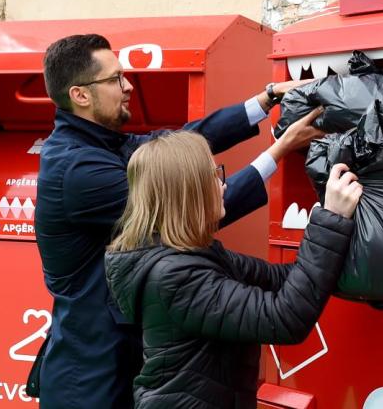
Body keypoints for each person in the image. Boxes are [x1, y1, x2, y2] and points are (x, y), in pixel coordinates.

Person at [35, 34, 322, 409]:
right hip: (92, 375)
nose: (128, 87)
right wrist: (280, 149)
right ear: (81, 95)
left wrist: (266, 99)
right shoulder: (77, 169)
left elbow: (182, 142)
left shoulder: (99, 143)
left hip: (123, 354)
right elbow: (187, 210)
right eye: (115, 79)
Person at [105, 131, 360, 408]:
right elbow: (284, 318)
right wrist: (330, 220)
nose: (223, 185)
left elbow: (278, 278)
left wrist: (344, 256)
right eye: (213, 175)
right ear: (189, 192)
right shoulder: (175, 276)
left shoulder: (190, 255)